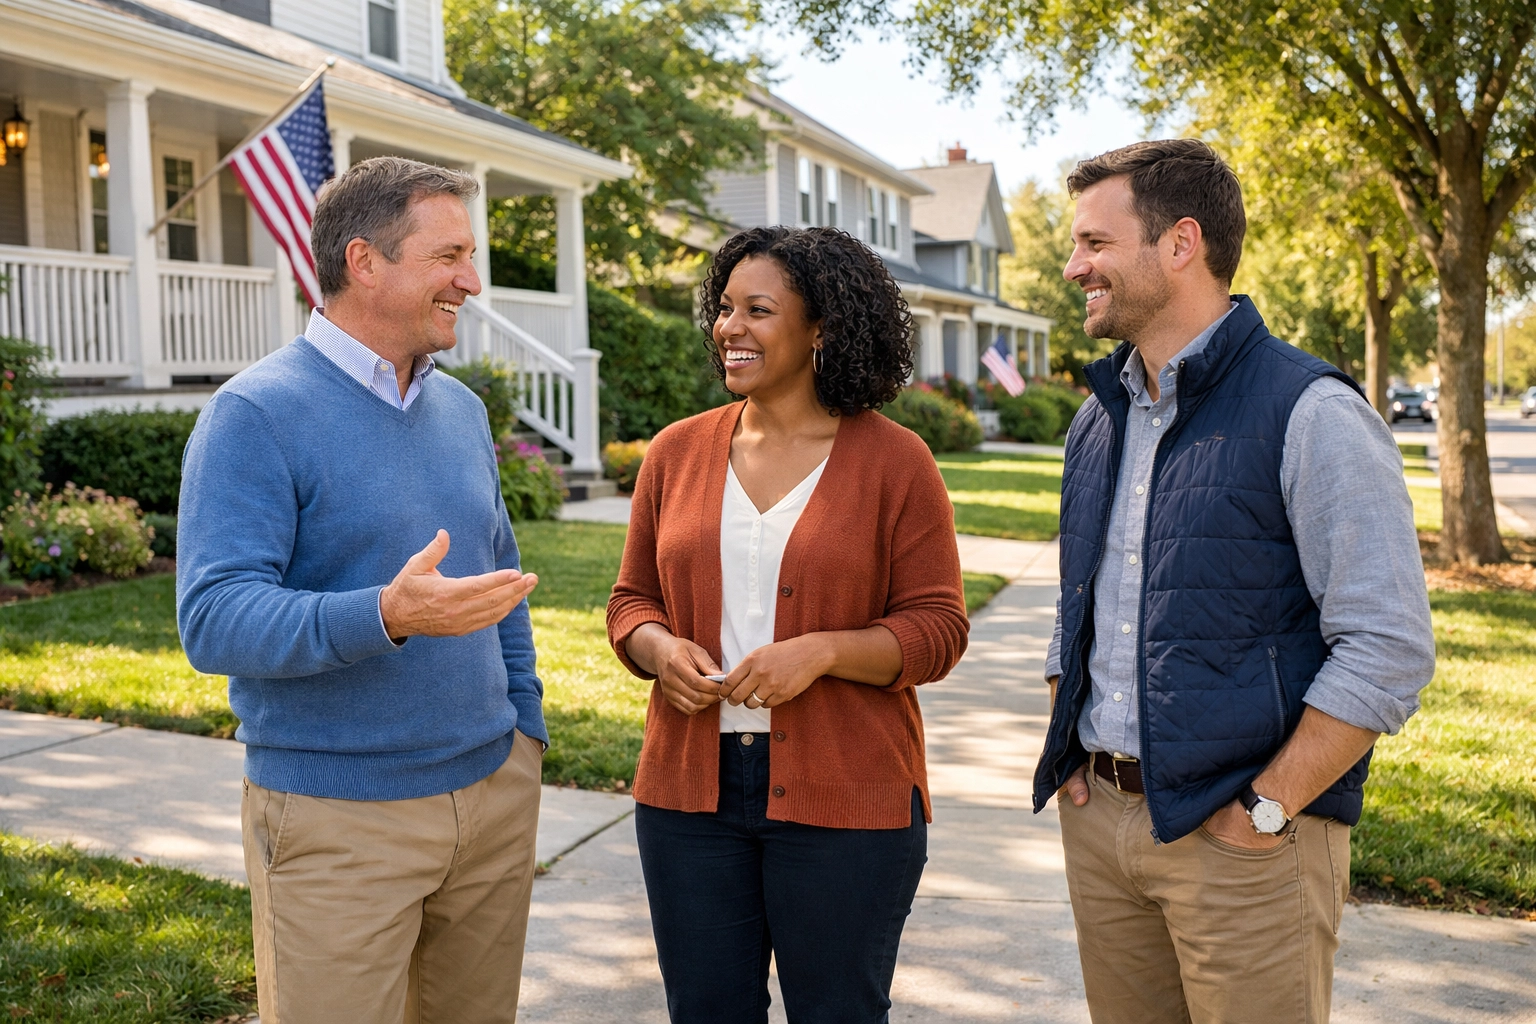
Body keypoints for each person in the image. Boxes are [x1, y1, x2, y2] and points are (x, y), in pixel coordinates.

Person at [1037, 139, 1436, 1024]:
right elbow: (1081, 607)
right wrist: (1067, 742)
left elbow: (1389, 646)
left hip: (1249, 841)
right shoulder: (1096, 422)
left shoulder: (1314, 412)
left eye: (1095, 244)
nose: (1075, 268)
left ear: (1181, 244)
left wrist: (1264, 808)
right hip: (1102, 823)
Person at [177, 156, 547, 1024]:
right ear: (364, 260)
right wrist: (386, 613)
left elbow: (504, 580)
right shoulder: (254, 414)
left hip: (492, 794)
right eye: (448, 255)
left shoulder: (461, 411)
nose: (472, 279)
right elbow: (213, 617)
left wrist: (523, 730)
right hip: (337, 820)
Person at [607, 225, 970, 1023]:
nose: (729, 328)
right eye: (725, 308)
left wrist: (823, 653)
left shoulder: (896, 462)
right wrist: (659, 648)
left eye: (758, 310)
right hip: (689, 803)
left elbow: (938, 628)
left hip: (848, 800)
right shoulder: (673, 453)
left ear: (822, 328)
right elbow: (629, 600)